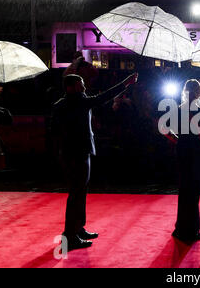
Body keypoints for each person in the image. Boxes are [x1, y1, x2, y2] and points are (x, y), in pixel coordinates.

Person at [51, 72, 138, 251]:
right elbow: (104, 97)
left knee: (79, 192)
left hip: (70, 154)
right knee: (76, 194)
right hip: (79, 154)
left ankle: (78, 229)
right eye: (81, 83)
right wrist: (125, 83)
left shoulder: (61, 105)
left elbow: (54, 132)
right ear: (72, 86)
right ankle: (70, 235)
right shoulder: (79, 102)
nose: (84, 86)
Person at [168, 79, 200, 242]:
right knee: (194, 189)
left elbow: (165, 130)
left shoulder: (179, 109)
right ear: (199, 92)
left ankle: (181, 228)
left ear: (185, 91)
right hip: (197, 150)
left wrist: (178, 140)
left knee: (184, 188)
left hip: (183, 149)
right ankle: (192, 229)